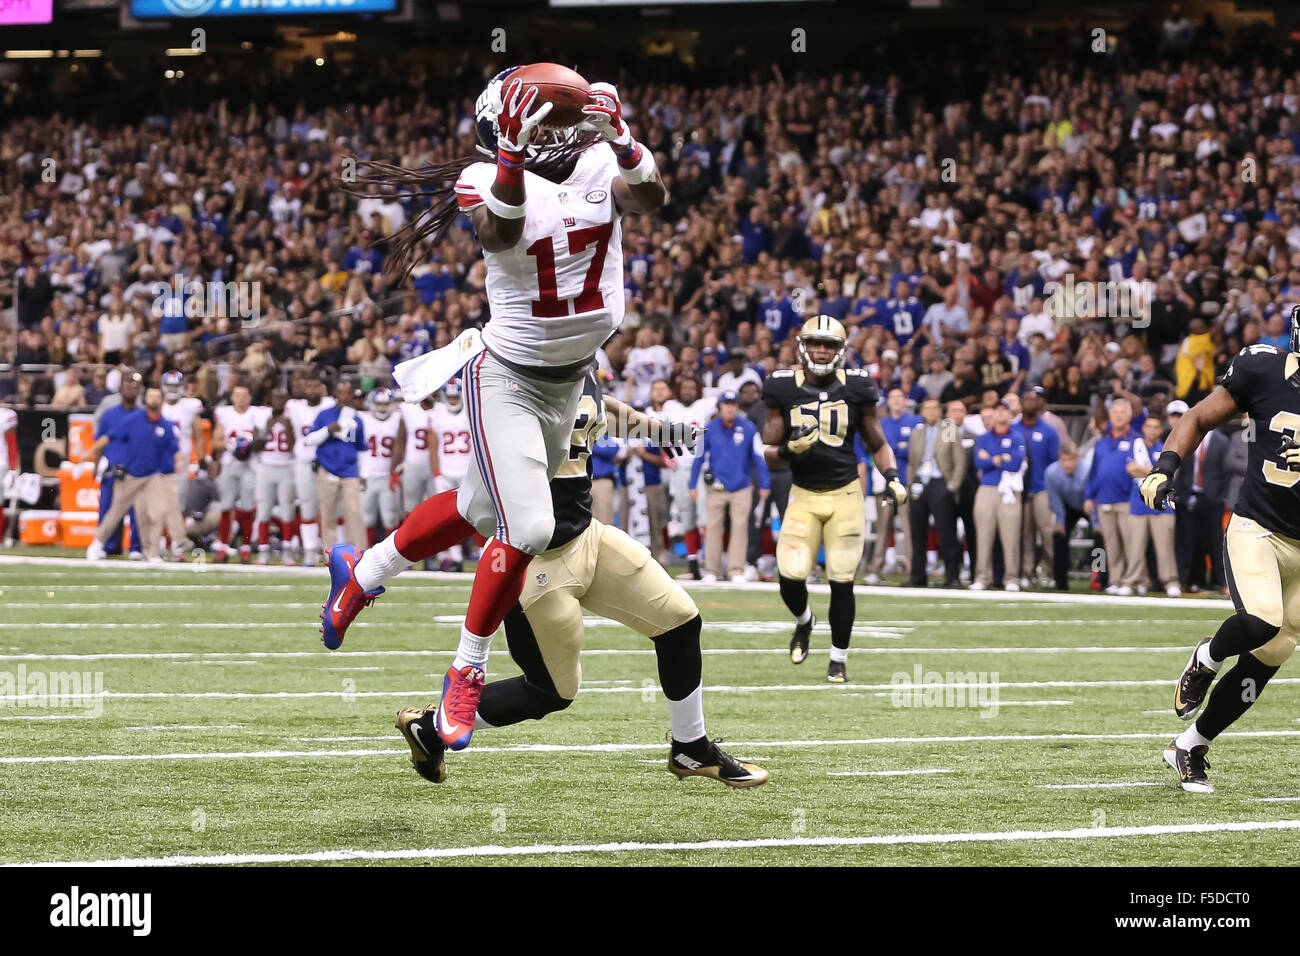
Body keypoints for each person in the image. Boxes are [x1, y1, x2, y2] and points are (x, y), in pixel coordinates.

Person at [330, 74, 667, 752]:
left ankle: (360, 573)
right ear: (503, 130)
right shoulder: (485, 175)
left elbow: (652, 199)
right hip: (507, 376)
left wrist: (624, 139)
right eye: (537, 123)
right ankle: (467, 669)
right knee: (530, 522)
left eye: (553, 122)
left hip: (569, 378)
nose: (551, 133)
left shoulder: (600, 160)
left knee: (481, 509)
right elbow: (504, 228)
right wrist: (512, 156)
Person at [378, 369, 758, 786]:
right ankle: (431, 730)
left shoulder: (579, 358)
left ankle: (690, 746)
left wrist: (665, 431)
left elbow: (598, 410)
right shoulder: (520, 375)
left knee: (680, 620)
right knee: (552, 691)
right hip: (531, 560)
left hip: (585, 535)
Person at [1139, 324, 1300, 794]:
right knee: (1262, 620)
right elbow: (1197, 418)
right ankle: (1206, 657)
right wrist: (1165, 467)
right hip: (1259, 528)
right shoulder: (1263, 369)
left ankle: (1188, 746)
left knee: (1275, 650)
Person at [761, 315, 907, 681]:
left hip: (845, 493)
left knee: (841, 577)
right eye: (816, 344)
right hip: (803, 495)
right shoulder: (781, 387)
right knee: (790, 574)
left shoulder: (858, 387)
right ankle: (804, 620)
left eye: (830, 345)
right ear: (803, 346)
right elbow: (769, 452)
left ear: (841, 351)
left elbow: (877, 441)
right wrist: (790, 450)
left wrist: (892, 476)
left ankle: (838, 658)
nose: (822, 351)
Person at [85, 386, 183, 563]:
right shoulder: (133, 420)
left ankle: (150, 552)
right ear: (145, 399)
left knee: (155, 513)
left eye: (156, 396)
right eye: (150, 395)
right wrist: (90, 452)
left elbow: (175, 448)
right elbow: (109, 437)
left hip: (152, 476)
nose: (153, 399)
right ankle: (98, 543)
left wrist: (179, 461)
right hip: (131, 475)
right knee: (115, 512)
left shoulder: (166, 425)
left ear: (161, 400)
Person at [690, 390, 769, 582]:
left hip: (742, 486)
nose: (731, 407)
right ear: (720, 407)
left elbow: (759, 457)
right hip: (716, 486)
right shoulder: (709, 429)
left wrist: (764, 484)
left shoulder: (749, 428)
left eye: (734, 404)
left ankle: (736, 570)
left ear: (738, 406)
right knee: (713, 527)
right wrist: (693, 484)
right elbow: (698, 458)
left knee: (740, 528)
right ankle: (711, 570)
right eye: (727, 404)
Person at [864, 386, 922, 584]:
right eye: (893, 397)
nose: (897, 401)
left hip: (907, 482)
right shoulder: (880, 424)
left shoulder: (915, 422)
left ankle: (914, 568)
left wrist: (893, 448)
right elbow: (877, 449)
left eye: (900, 398)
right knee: (882, 527)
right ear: (887, 402)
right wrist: (900, 448)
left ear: (905, 401)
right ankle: (876, 569)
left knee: (910, 527)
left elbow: (916, 450)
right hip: (886, 483)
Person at [1084, 397, 1141, 594]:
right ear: (1109, 416)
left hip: (1126, 499)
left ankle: (1131, 580)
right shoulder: (1102, 442)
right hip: (1103, 499)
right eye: (1114, 412)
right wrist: (1089, 496)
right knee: (1111, 543)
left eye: (1122, 412)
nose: (1118, 415)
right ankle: (1116, 579)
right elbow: (1093, 472)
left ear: (1130, 416)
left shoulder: (1136, 440)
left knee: (1130, 542)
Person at [907, 397, 965, 587]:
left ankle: (952, 576)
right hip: (919, 483)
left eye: (934, 408)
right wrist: (909, 484)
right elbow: (912, 462)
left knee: (946, 532)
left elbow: (959, 461)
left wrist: (952, 486)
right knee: (916, 532)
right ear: (922, 411)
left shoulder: (948, 428)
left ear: (940, 411)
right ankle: (917, 576)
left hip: (940, 481)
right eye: (927, 408)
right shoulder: (917, 431)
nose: (931, 412)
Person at [662, 375, 716, 579]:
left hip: (701, 467)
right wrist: (665, 455)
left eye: (692, 387)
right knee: (686, 516)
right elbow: (661, 433)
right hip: (680, 468)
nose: (688, 391)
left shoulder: (706, 405)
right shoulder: (670, 407)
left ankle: (709, 562)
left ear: (699, 389)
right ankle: (693, 563)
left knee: (705, 516)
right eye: (684, 387)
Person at [1121, 414, 1180, 597]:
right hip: (1138, 504)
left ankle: (1170, 581)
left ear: (1160, 430)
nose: (1152, 430)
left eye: (1156, 427)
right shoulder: (1134, 445)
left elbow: (1172, 474)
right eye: (1149, 426)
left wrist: (1144, 470)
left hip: (1162, 505)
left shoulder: (1167, 448)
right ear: (1143, 428)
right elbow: (1131, 470)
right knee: (1135, 547)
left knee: (1165, 548)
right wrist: (1156, 471)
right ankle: (1132, 581)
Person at [306, 380, 367, 550]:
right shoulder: (324, 415)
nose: (345, 397)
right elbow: (309, 439)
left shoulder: (356, 418)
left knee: (354, 512)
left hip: (350, 471)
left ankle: (358, 552)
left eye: (348, 393)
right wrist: (327, 430)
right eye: (342, 393)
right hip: (327, 468)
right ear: (335, 395)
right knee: (328, 514)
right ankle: (330, 554)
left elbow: (362, 448)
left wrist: (364, 474)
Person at [972, 398, 1026, 590]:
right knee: (984, 535)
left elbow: (1016, 463)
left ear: (1011, 415)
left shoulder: (1017, 437)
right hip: (987, 488)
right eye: (997, 410)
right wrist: (1003, 456)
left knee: (1010, 536)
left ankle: (1011, 578)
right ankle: (982, 577)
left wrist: (993, 458)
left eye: (1005, 410)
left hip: (1009, 490)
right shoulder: (984, 437)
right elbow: (979, 463)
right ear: (992, 415)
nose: (1001, 413)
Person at [211, 385, 269, 563]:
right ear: (232, 397)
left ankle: (245, 548)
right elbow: (216, 442)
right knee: (226, 507)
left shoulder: (258, 414)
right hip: (230, 465)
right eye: (238, 396)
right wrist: (233, 446)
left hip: (250, 466)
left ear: (250, 397)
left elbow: (262, 440)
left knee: (247, 508)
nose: (241, 399)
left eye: (245, 396)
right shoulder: (225, 413)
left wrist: (249, 447)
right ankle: (223, 547)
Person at [92, 373, 145, 558]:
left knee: (138, 510)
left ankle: (137, 547)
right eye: (127, 385)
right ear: (120, 389)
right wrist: (96, 464)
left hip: (136, 469)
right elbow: (100, 440)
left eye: (134, 386)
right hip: (111, 468)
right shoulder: (109, 413)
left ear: (139, 390)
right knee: (107, 509)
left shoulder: (143, 414)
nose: (131, 389)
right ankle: (108, 545)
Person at [285, 371, 335, 566]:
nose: (312, 390)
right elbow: (290, 432)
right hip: (304, 461)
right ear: (303, 388)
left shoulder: (330, 405)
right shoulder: (294, 407)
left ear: (322, 388)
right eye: (309, 386)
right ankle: (308, 551)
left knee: (330, 508)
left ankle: (329, 550)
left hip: (327, 462)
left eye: (316, 386)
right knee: (306, 506)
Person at [1015, 387, 1061, 588]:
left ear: (1039, 403)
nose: (1029, 403)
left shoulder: (1049, 431)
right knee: (1025, 534)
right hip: (1020, 489)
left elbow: (1055, 463)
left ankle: (1053, 572)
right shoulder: (1014, 429)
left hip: (1043, 488)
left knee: (1047, 532)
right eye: (1025, 399)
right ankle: (1027, 573)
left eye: (1033, 400)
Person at [251, 388, 296, 565]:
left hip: (286, 467)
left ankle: (287, 551)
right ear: (270, 398)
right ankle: (263, 551)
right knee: (263, 511)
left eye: (282, 398)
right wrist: (268, 427)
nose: (278, 401)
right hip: (266, 467)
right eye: (275, 397)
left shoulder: (292, 417)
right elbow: (255, 446)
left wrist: (287, 427)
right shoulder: (261, 415)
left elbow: (294, 448)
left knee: (287, 511)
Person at [358, 387, 402, 545]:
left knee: (390, 517)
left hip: (387, 476)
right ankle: (366, 552)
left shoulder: (398, 419)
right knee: (366, 517)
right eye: (378, 404)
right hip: (367, 476)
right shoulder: (362, 419)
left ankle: (394, 555)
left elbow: (403, 447)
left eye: (385, 404)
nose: (382, 408)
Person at [1045, 443, 1088, 590]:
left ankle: (1100, 577)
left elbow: (1092, 493)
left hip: (1087, 506)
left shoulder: (1087, 470)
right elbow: (1054, 499)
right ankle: (1060, 581)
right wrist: (1060, 520)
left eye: (1071, 459)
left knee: (1100, 537)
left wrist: (1096, 521)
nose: (1068, 464)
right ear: (1059, 459)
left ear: (1077, 459)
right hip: (1067, 507)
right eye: (1064, 460)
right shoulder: (1051, 472)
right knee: (1059, 535)